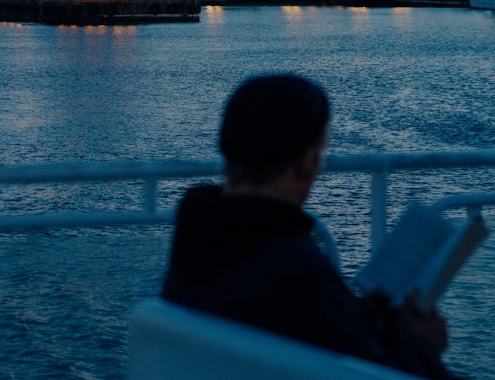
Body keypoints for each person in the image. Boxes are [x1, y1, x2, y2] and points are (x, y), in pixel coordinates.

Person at [162, 73, 457, 379]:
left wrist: (362, 314)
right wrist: (423, 346)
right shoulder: (292, 266)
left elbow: (309, 324)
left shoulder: (195, 239)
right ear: (307, 163)